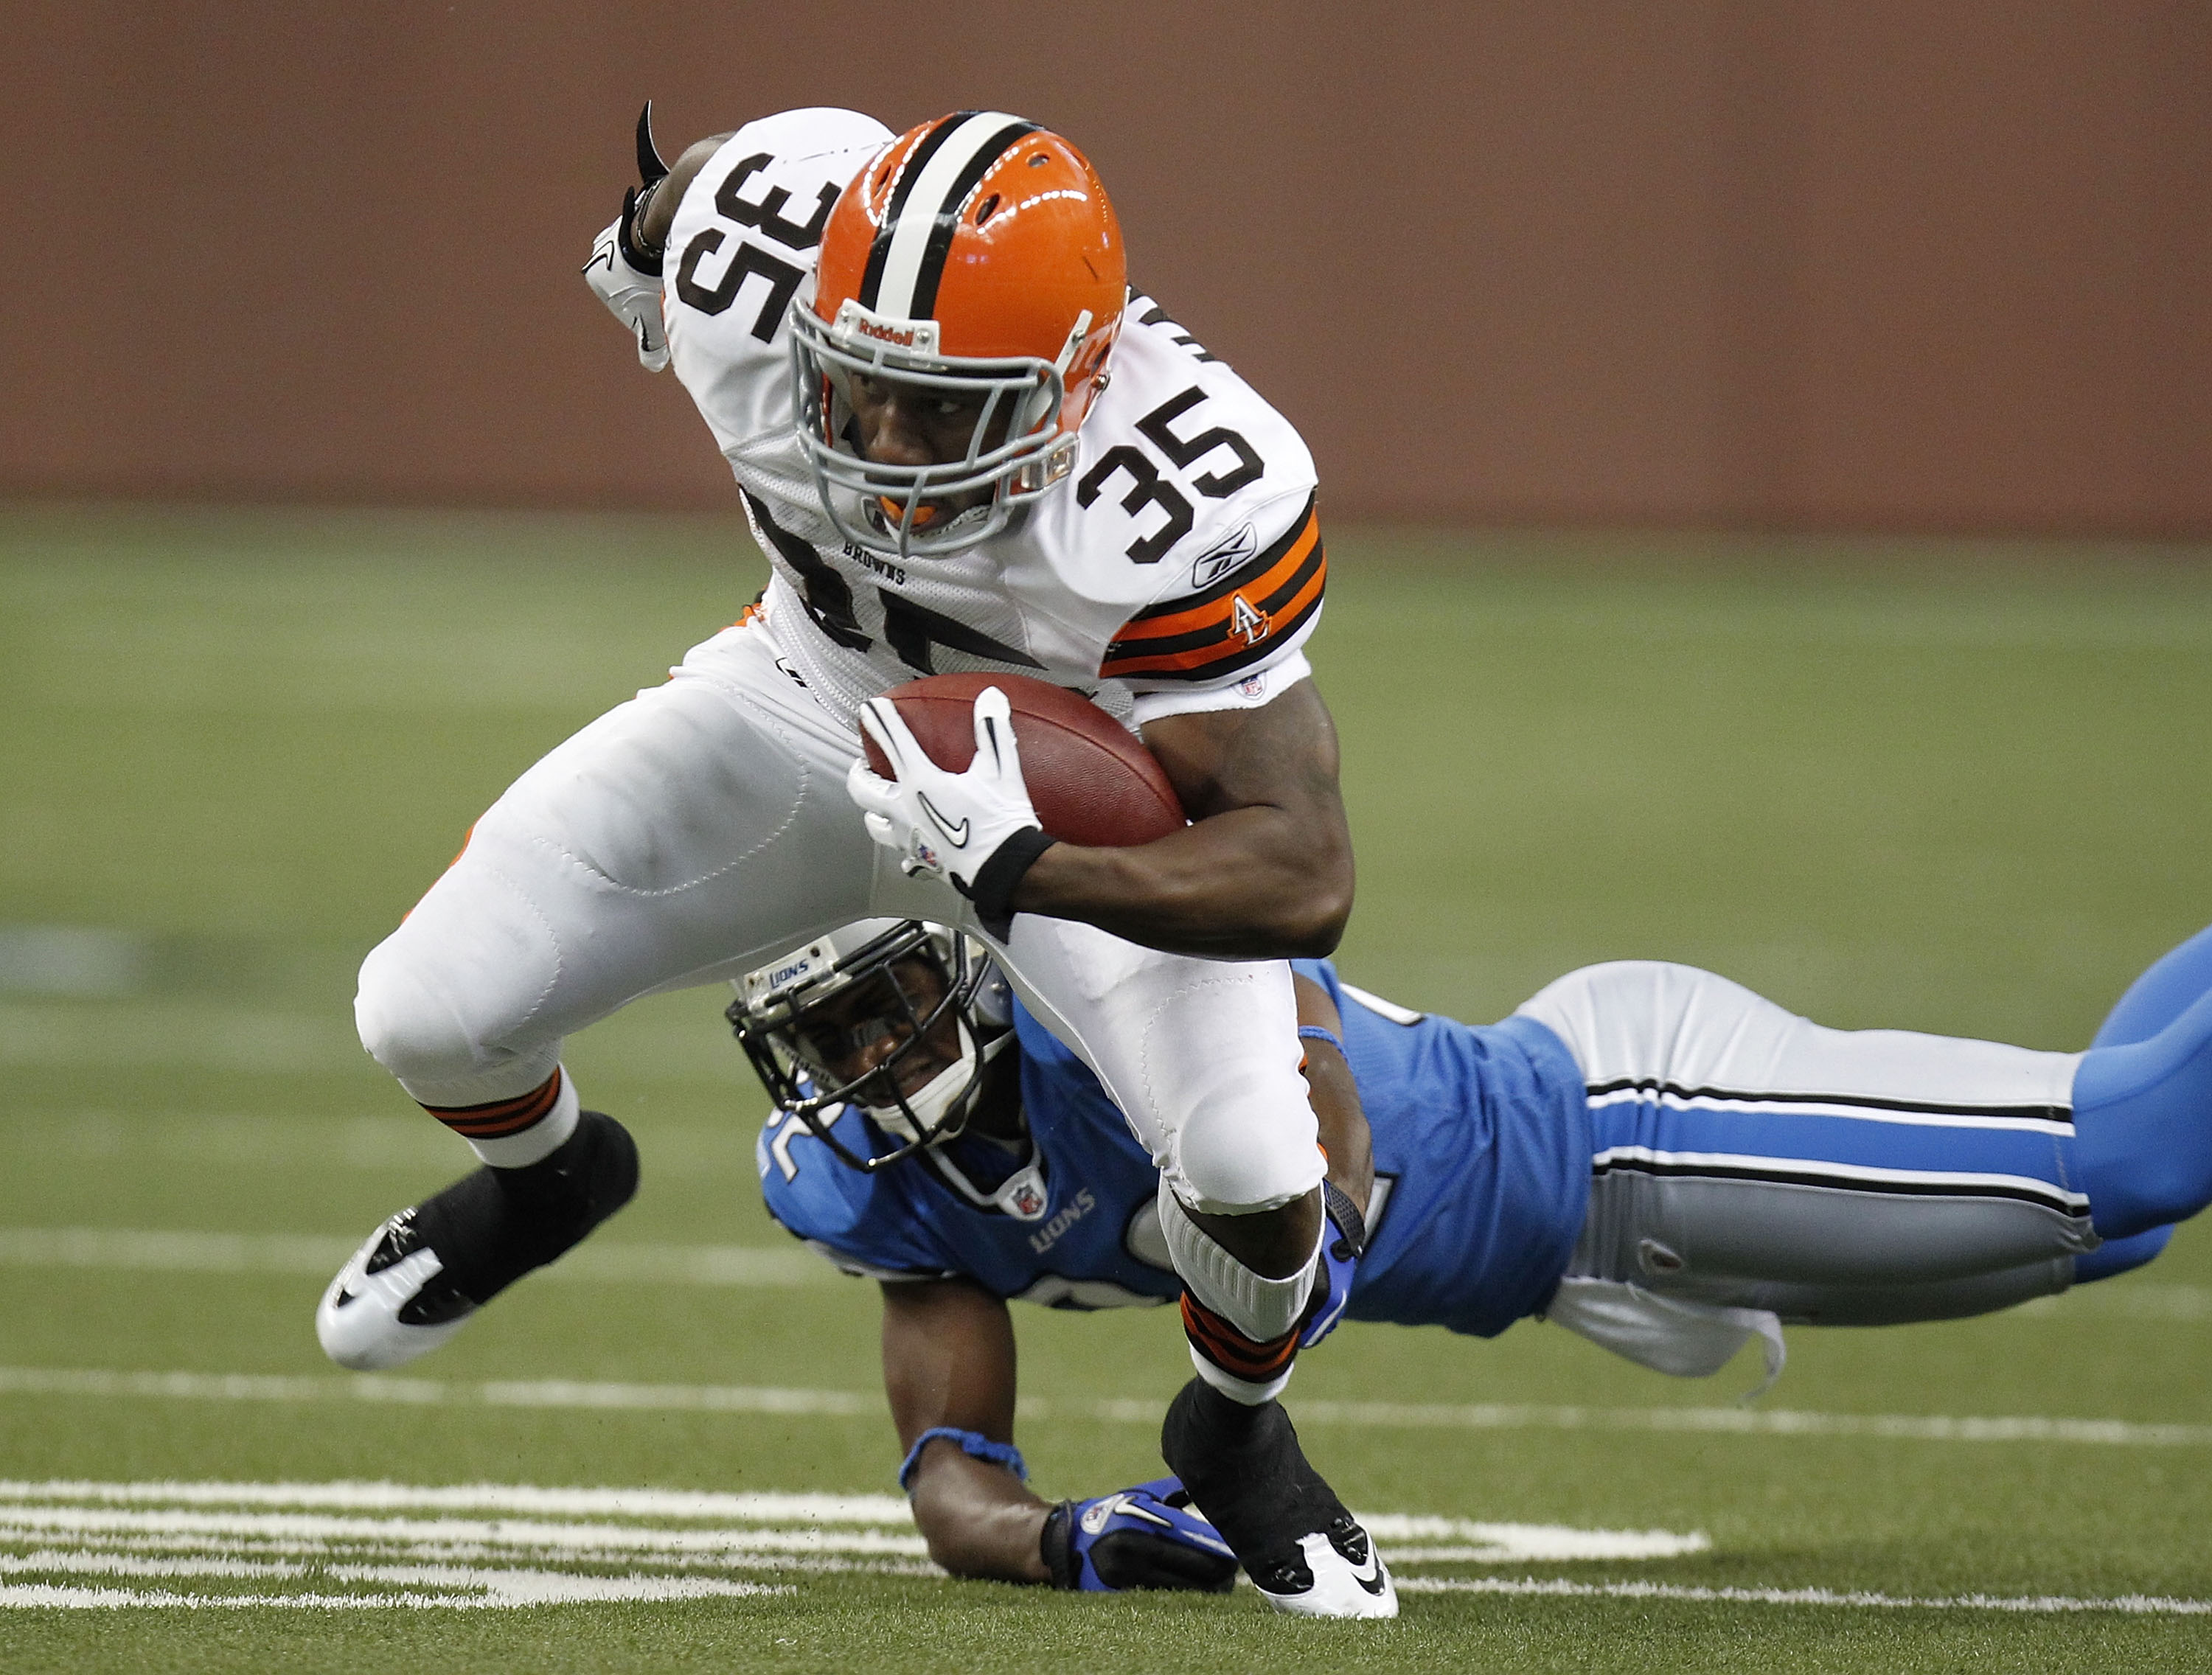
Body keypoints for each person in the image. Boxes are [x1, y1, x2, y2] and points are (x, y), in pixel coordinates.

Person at [315, 105, 1380, 1613]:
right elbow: (689, 193)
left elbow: (1302, 868)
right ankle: (545, 1180)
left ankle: (1231, 1424)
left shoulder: (1183, 497)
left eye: (938, 412)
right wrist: (634, 241)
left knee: (1256, 1170)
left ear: (1073, 390)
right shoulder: (753, 256)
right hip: (804, 702)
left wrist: (1020, 863)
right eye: (856, 384)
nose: (880, 441)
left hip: (1064, 790)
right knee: (422, 1007)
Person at [722, 914, 2212, 1596]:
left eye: (889, 1000)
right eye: (830, 1037)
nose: (874, 1054)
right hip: (1591, 1268)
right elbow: (952, 1480)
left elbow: (1326, 1136)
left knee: (2134, 1148)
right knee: (2129, 1221)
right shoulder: (880, 1194)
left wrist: (1297, 1289)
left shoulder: (1105, 995)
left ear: (966, 960)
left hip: (1628, 1124)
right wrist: (1076, 1536)